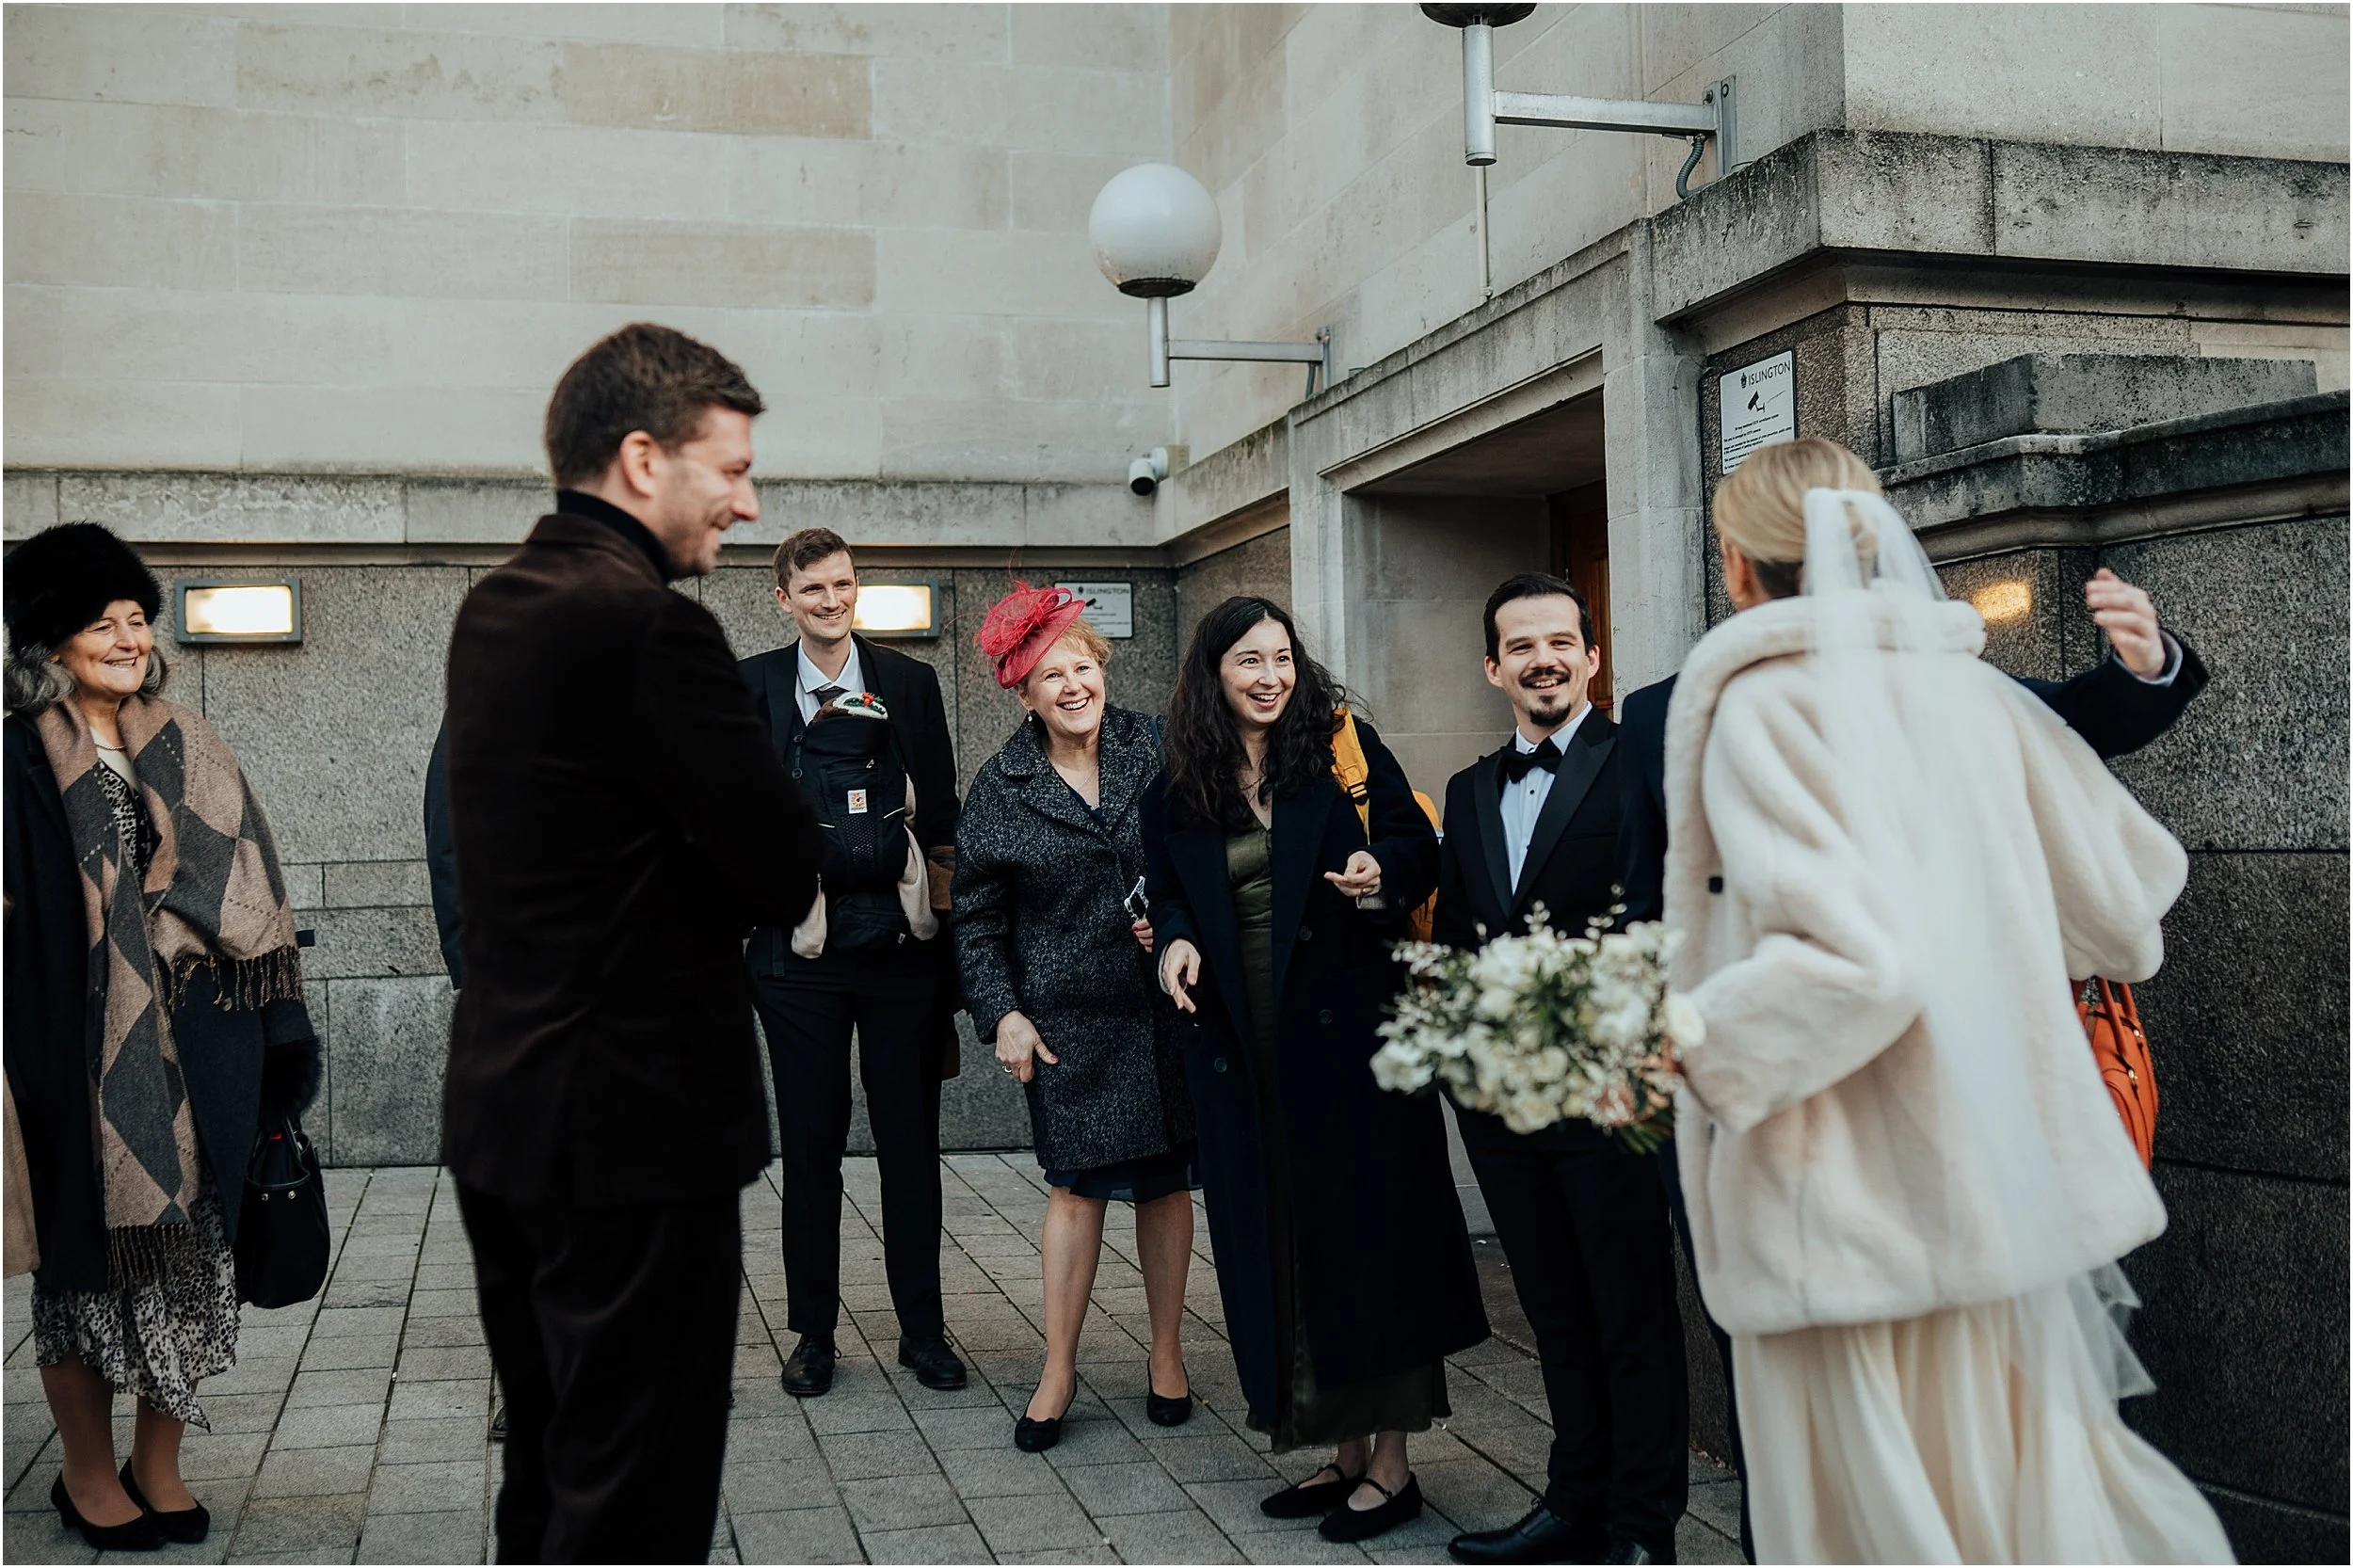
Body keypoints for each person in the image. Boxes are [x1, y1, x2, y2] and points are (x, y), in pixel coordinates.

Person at [1616, 479, 2209, 1564]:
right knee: (1999, 1511)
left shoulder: (1765, 703)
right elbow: (2127, 913)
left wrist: (1684, 1047)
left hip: (1836, 1207)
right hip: (1989, 1193)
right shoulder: (1979, 700)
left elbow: (1857, 965)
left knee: (1857, 1525)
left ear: (1738, 562)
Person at [440, 323, 826, 1561]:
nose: (750, 503)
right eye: (732, 469)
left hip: (509, 1113)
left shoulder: (495, 607)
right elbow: (780, 863)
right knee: (635, 1501)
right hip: (634, 1133)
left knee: (550, 1471)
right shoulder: (652, 626)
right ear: (644, 457)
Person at [4, 523, 322, 1552]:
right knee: (83, 1274)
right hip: (69, 1054)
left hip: (207, 1047)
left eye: (137, 618)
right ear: (51, 641)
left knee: (194, 1266)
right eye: (100, 622)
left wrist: (282, 1032)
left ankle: (160, 1462)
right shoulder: (14, 756)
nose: (127, 637)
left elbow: (254, 888)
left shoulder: (189, 737)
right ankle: (88, 1478)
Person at [1142, 596, 1485, 1545]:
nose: (1268, 676)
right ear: (1213, 673)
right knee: (1284, 1246)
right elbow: (1166, 890)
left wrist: (1380, 869)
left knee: (1368, 1243)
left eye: (1281, 658)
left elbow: (1420, 849)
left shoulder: (1342, 748)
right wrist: (1171, 943)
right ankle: (1337, 1453)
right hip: (1241, 1050)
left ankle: (1391, 1466)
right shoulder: (1178, 780)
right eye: (1248, 661)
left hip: (1351, 1047)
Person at [1433, 575, 1684, 1568]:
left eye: (1559, 641)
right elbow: (1455, 938)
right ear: (1493, 667)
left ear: (1590, 658)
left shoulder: (1642, 768)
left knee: (1629, 1313)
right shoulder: (1466, 791)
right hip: (1502, 1103)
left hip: (1611, 1093)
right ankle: (1572, 1505)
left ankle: (1640, 1526)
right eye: (1519, 644)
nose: (1542, 658)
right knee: (1554, 1313)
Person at [952, 584, 1199, 1451]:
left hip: (1164, 1004)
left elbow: (1207, 851)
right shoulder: (1002, 784)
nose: (1073, 685)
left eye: (1083, 666)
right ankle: (1059, 1369)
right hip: (1066, 1022)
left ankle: (1166, 1353)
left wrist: (1179, 921)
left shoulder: (1159, 747)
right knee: (1075, 1191)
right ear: (1024, 694)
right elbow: (975, 918)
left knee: (1166, 1185)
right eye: (1051, 675)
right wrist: (1001, 1015)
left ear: (1103, 668)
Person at [739, 529, 968, 1398]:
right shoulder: (753, 685)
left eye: (842, 586)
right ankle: (814, 1335)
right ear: (784, 599)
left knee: (910, 1144)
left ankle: (921, 1330)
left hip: (900, 955)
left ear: (855, 588)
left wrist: (943, 946)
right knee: (811, 1146)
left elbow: (942, 814)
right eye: (813, 590)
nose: (830, 601)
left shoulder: (909, 684)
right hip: (797, 964)